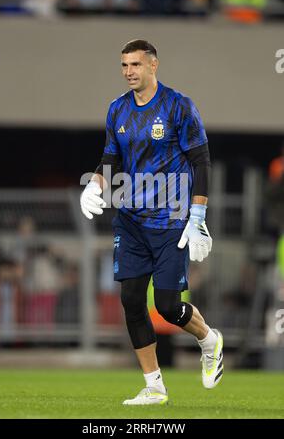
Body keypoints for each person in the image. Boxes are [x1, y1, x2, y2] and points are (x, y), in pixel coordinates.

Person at [80, 39, 223, 405]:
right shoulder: (117, 110)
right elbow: (111, 159)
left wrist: (198, 216)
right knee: (130, 298)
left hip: (171, 219)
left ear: (153, 65)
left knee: (168, 306)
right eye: (124, 65)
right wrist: (94, 185)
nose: (129, 72)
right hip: (130, 219)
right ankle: (154, 386)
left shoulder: (178, 106)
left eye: (136, 65)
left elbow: (201, 162)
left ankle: (209, 339)